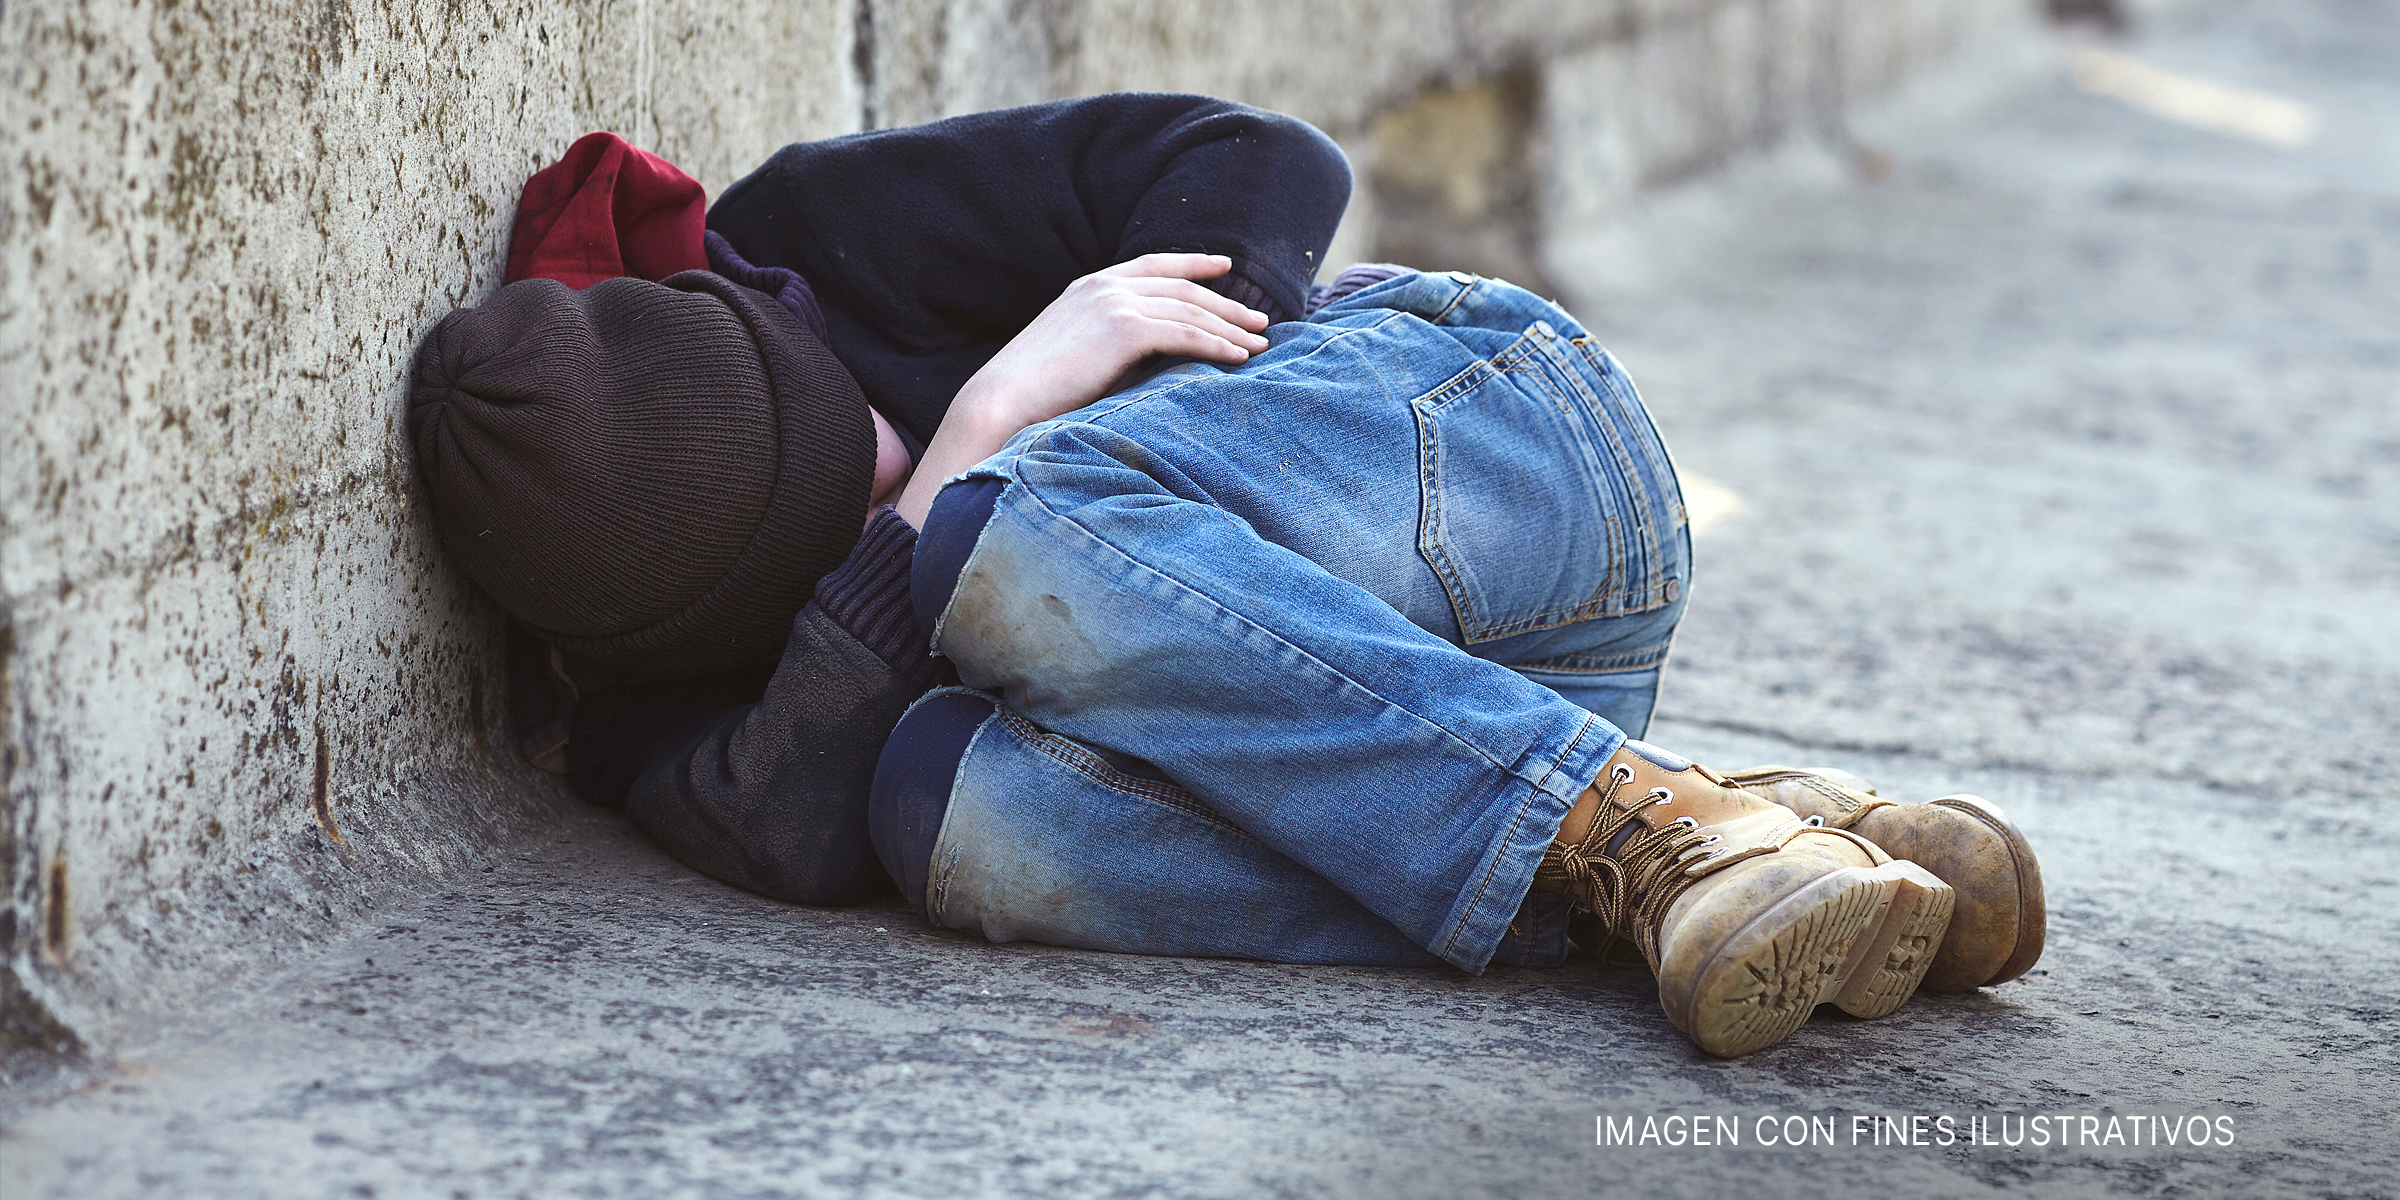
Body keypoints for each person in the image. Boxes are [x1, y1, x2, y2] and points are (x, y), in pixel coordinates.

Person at [408, 95, 2044, 1058]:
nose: (888, 484)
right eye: (837, 545)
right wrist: (984, 417)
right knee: (941, 800)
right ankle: (1682, 846)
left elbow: (1265, 160)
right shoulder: (642, 693)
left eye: (872, 447)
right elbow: (794, 824)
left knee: (1013, 532)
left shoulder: (826, 230)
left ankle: (1618, 824)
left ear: (765, 323)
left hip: (1498, 464)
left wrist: (1120, 395)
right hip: (1457, 722)